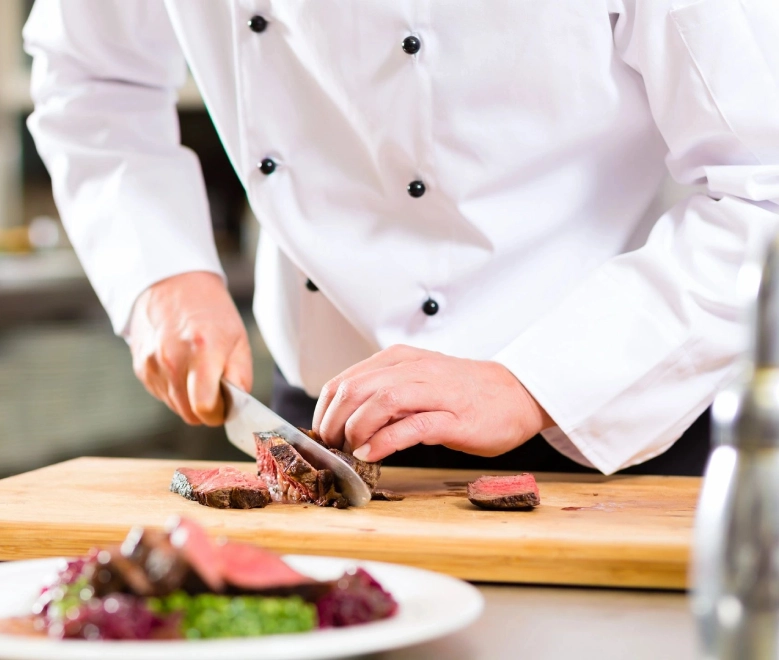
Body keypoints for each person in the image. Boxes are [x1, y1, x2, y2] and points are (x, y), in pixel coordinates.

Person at [22, 0, 779, 477]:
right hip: (321, 420)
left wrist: (536, 381)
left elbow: (762, 186)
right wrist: (160, 270)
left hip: (616, 411)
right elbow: (93, 80)